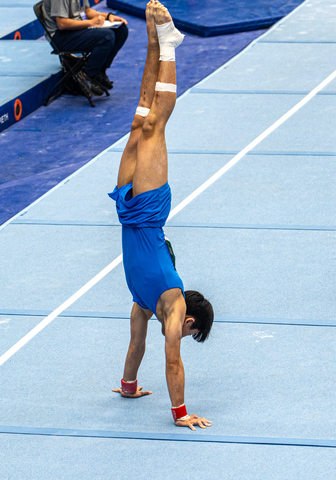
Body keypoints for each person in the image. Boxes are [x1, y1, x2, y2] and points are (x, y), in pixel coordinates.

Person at [109, 1, 214, 430]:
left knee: (139, 120)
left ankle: (154, 40)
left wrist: (129, 384)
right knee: (156, 125)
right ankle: (170, 47)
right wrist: (181, 414)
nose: (181, 336)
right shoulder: (171, 305)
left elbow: (137, 345)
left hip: (126, 208)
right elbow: (172, 361)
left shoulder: (144, 304)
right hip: (149, 213)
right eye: (189, 333)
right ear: (188, 321)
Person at [41, 0, 129, 95]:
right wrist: (91, 22)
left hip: (76, 28)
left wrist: (108, 16)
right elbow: (62, 24)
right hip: (61, 36)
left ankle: (99, 71)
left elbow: (87, 11)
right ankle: (86, 75)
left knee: (121, 30)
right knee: (107, 37)